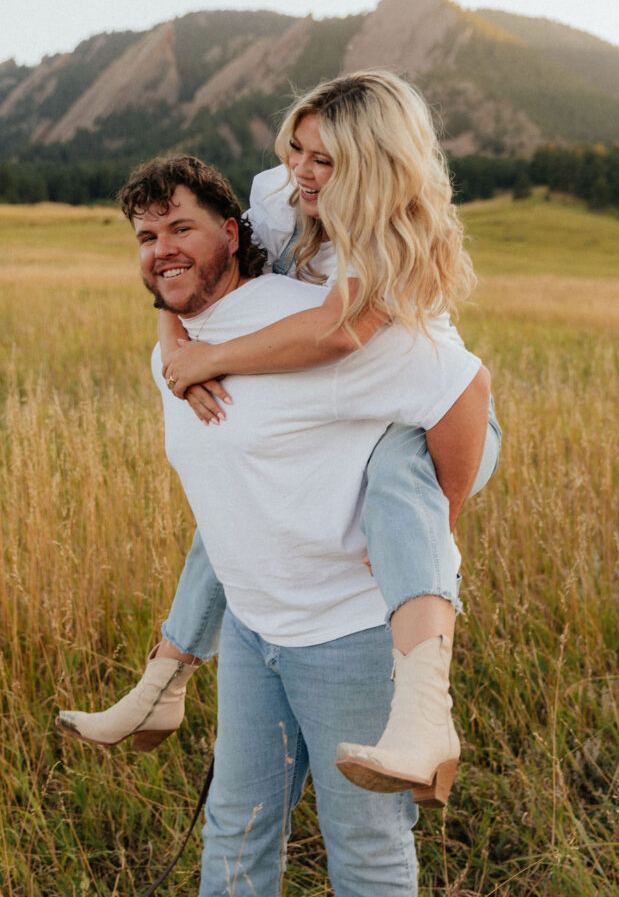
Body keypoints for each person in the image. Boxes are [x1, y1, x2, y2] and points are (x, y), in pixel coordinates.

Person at [57, 71, 501, 805]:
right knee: (235, 504)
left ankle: (428, 717)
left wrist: (440, 528)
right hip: (366, 396)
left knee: (398, 487)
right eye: (296, 147)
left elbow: (365, 342)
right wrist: (177, 344)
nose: (301, 170)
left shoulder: (395, 239)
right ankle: (164, 676)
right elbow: (193, 268)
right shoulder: (276, 193)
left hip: (438, 419)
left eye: (324, 162)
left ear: (374, 167)